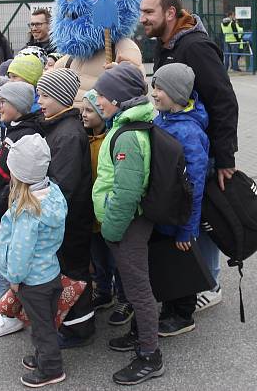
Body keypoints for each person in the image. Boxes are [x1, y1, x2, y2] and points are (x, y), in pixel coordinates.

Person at [141, 0, 239, 312]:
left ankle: (210, 284)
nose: (143, 18)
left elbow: (224, 101)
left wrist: (225, 157)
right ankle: (194, 278)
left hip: (202, 151)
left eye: (149, 12)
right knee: (191, 215)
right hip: (177, 148)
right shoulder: (165, 44)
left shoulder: (195, 47)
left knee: (204, 216)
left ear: (170, 13)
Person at [93, 64, 164, 385]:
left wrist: (110, 228)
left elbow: (127, 192)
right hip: (126, 223)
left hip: (126, 224)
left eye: (103, 94)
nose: (98, 99)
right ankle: (139, 336)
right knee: (136, 283)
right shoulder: (124, 126)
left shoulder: (129, 137)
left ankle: (150, 355)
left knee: (139, 289)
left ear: (120, 99)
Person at [0, 134, 68, 388]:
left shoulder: (28, 211)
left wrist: (14, 280)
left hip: (32, 281)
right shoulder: (54, 194)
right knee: (46, 320)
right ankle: (42, 356)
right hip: (49, 273)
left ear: (19, 175)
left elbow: (20, 252)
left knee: (41, 327)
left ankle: (51, 369)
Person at [0, 81, 44, 340]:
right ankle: (14, 311)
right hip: (3, 208)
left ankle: (10, 315)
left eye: (4, 101)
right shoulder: (14, 129)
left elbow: (12, 181)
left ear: (17, 105)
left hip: (10, 210)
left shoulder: (22, 136)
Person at [36, 69, 96, 349]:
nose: (40, 100)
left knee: (75, 274)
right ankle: (72, 322)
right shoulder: (56, 127)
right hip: (64, 219)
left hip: (71, 221)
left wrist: (42, 207)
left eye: (46, 95)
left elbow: (64, 185)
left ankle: (79, 329)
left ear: (62, 97)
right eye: (39, 93)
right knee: (68, 271)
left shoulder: (69, 135)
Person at [150, 63, 210, 337]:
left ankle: (183, 314)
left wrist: (188, 227)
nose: (154, 93)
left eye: (160, 89)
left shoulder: (189, 132)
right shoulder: (164, 119)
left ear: (176, 94)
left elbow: (195, 185)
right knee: (167, 261)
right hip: (165, 209)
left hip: (180, 215)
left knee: (181, 262)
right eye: (154, 87)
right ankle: (169, 309)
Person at [82, 89, 132, 326]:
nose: (84, 114)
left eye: (89, 110)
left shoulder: (111, 139)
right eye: (83, 109)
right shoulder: (84, 138)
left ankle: (125, 298)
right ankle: (103, 291)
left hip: (108, 209)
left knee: (117, 258)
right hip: (91, 211)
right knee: (98, 256)